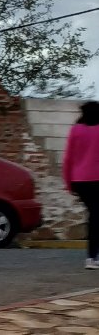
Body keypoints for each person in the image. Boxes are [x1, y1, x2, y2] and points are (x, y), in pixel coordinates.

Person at [63, 101, 99, 270]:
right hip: (96, 180)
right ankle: (92, 257)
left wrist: (69, 183)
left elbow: (68, 158)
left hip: (80, 182)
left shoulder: (75, 130)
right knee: (95, 217)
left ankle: (92, 257)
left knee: (94, 215)